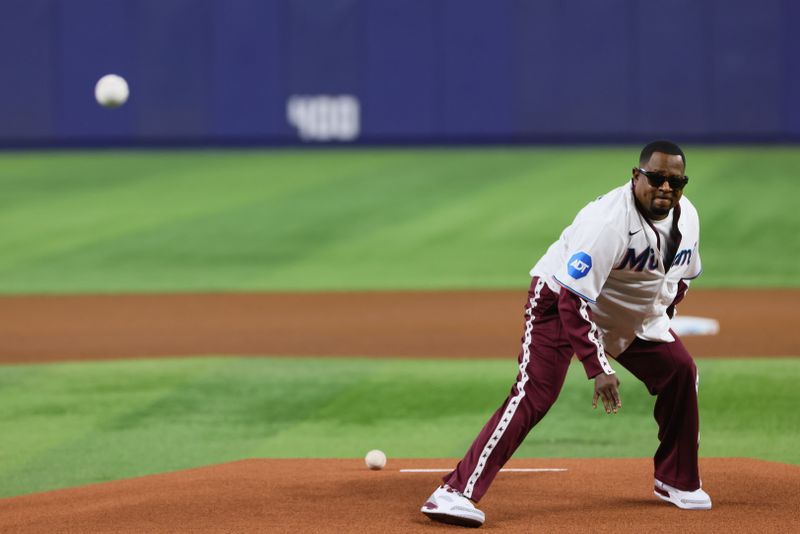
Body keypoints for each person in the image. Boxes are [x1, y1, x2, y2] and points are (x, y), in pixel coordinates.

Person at [421, 140, 711, 528]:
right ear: (636, 176)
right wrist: (598, 367)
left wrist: (660, 320)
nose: (665, 188)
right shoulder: (607, 223)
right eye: (656, 178)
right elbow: (572, 303)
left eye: (676, 182)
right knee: (535, 392)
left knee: (680, 371)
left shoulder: (687, 218)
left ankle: (676, 479)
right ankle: (453, 493)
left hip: (625, 313)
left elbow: (678, 282)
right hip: (559, 302)